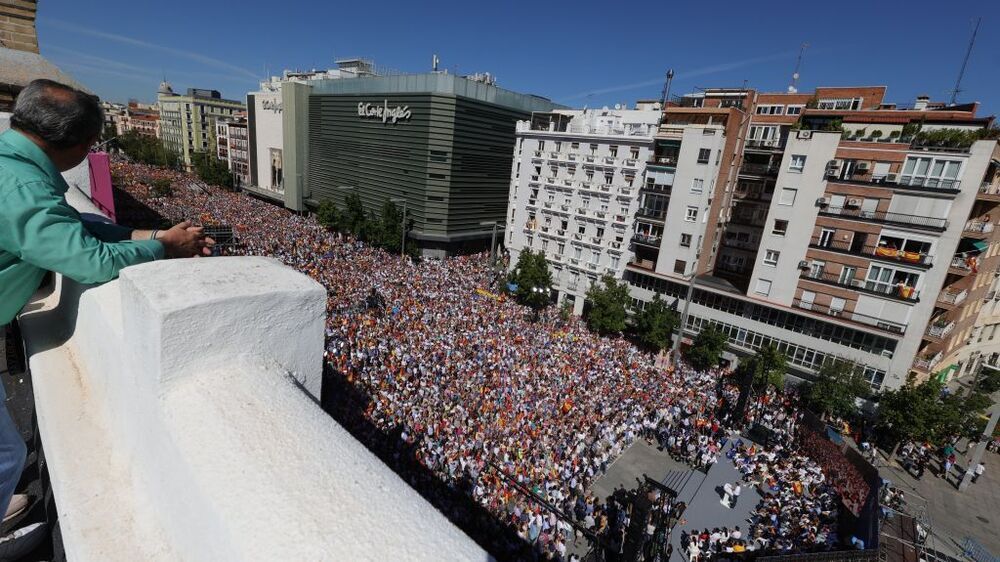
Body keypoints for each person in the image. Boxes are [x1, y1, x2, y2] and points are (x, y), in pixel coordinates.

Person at [0, 79, 213, 555]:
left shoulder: (11, 164)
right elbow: (89, 261)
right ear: (76, 145)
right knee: (8, 452)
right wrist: (163, 247)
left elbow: (72, 221)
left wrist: (148, 231)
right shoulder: (21, 186)